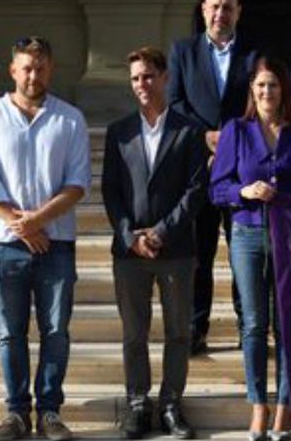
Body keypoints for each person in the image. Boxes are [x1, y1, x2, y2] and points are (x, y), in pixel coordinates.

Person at [0, 36, 91, 441]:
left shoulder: (70, 118)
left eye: (40, 68)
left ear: (50, 69)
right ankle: (17, 413)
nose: (33, 75)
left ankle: (50, 412)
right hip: (4, 247)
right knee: (10, 331)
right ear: (13, 70)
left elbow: (77, 184)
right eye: (26, 68)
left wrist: (38, 221)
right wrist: (24, 227)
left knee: (56, 331)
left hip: (56, 245)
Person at [210, 56, 291, 441]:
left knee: (287, 323)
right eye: (260, 86)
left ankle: (287, 406)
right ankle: (259, 403)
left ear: (284, 90)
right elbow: (216, 188)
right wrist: (243, 190)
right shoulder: (236, 131)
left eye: (273, 85)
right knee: (255, 324)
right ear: (251, 92)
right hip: (248, 234)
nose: (266, 92)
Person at [101, 47, 207, 440]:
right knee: (134, 333)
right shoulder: (119, 132)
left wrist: (161, 232)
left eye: (148, 76)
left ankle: (171, 404)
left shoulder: (189, 129)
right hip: (130, 253)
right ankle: (137, 404)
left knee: (179, 332)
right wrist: (130, 236)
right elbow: (110, 192)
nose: (141, 85)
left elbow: (197, 190)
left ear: (164, 78)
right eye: (135, 79)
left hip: (175, 249)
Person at [168, 0, 261, 355]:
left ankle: (248, 326)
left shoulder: (254, 55)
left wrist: (234, 138)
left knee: (243, 250)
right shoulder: (183, 52)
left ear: (238, 12)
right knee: (199, 253)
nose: (220, 14)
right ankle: (196, 327)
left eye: (228, 8)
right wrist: (205, 136)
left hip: (242, 168)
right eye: (214, 7)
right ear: (203, 10)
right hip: (200, 165)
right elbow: (174, 103)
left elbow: (261, 102)